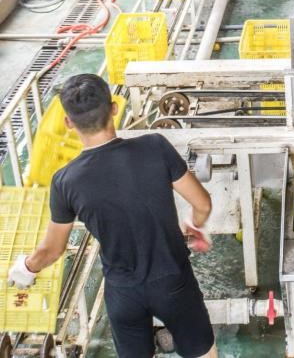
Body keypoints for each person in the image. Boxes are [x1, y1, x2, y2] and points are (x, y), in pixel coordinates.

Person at [8, 74, 217, 358]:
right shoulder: (155, 146)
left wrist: (26, 268)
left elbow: (53, 250)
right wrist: (194, 225)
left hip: (123, 292)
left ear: (68, 123)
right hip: (173, 281)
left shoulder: (64, 181)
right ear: (114, 109)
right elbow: (202, 203)